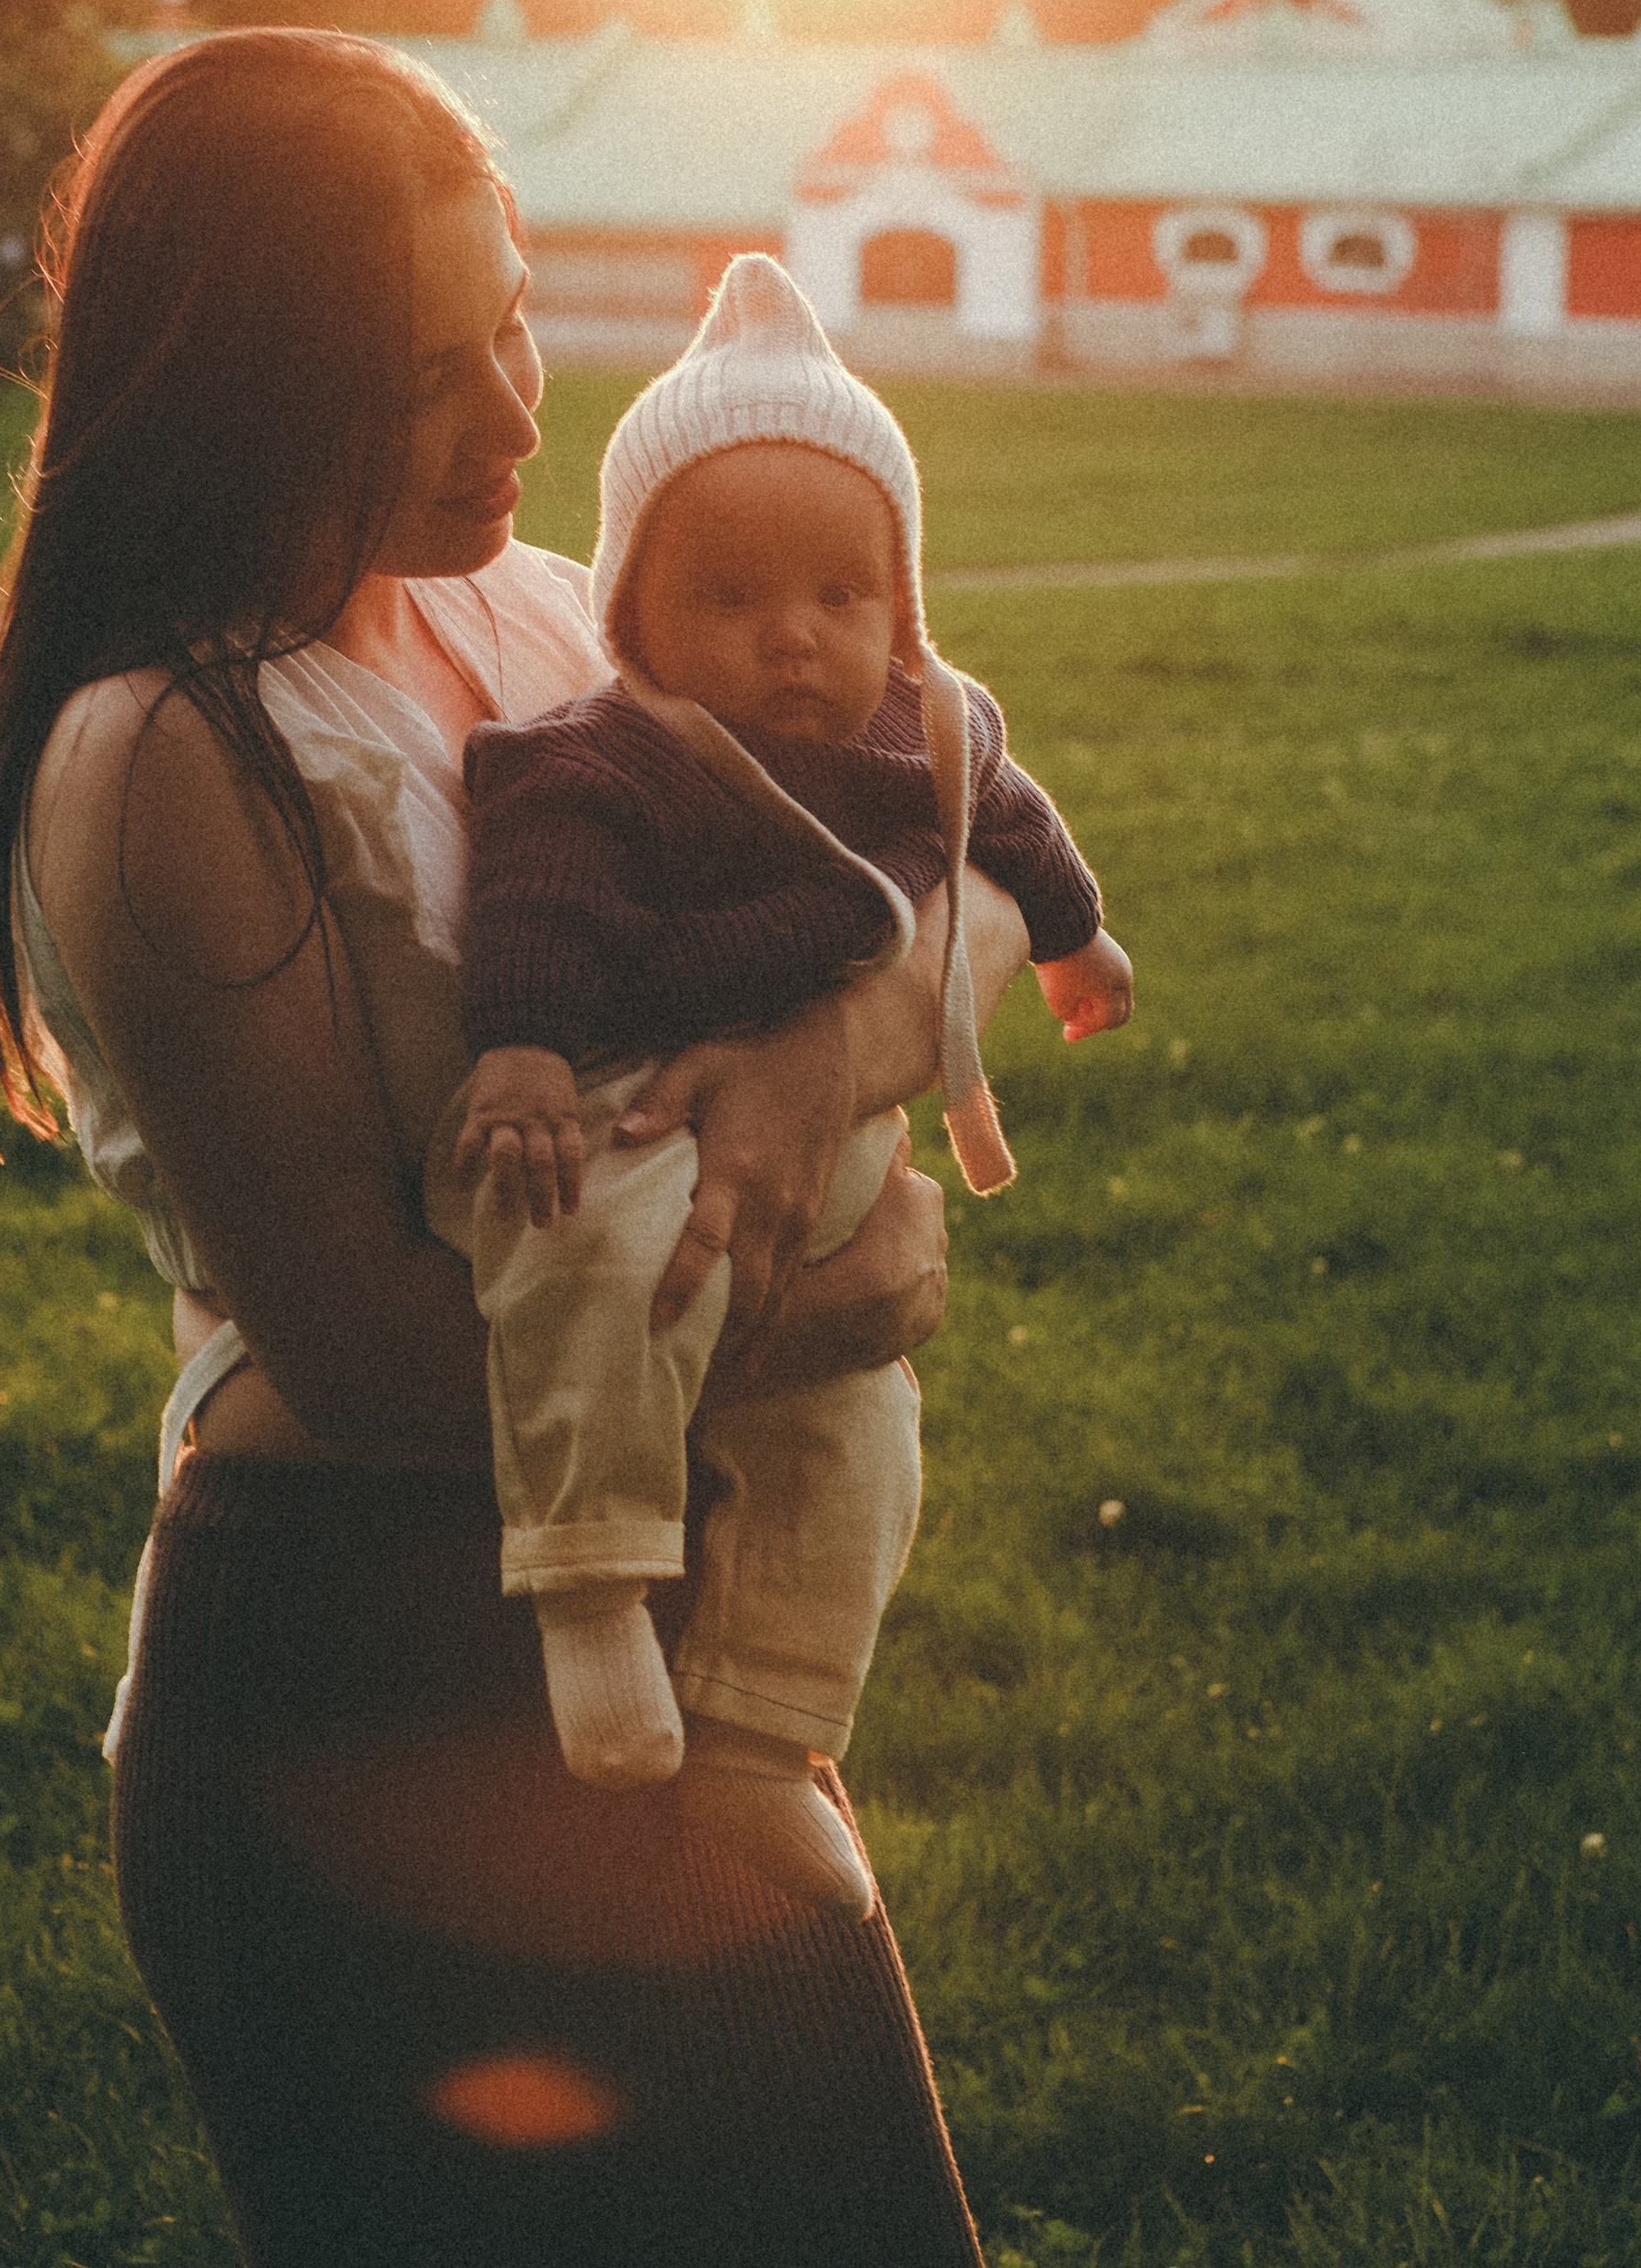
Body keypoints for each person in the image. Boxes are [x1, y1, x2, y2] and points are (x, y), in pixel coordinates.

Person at [0, 28, 1042, 2268]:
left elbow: (941, 867)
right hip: (360, 1682)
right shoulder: (167, 755)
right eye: (426, 368)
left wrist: (825, 1063)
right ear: (243, 377)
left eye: (516, 313)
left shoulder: (539, 608)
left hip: (650, 1609)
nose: (521, 404)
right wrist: (841, 1301)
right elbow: (368, 1355)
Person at [431, 255, 1132, 1921]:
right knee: (591, 1261)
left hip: (840, 1136)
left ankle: (766, 1720)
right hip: (642, 1090)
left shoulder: (932, 728)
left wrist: (1078, 945)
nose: (794, 639)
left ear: (900, 599)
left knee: (859, 1432)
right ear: (632, 615)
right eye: (731, 599)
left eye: (840, 595)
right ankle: (590, 1582)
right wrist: (525, 1040)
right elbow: (538, 896)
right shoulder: (606, 755)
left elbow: (1012, 831)